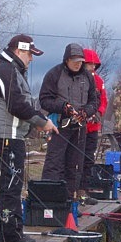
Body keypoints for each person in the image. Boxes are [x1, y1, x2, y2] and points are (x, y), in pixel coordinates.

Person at [0, 34, 58, 242]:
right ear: (19, 51)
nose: (32, 59)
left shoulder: (8, 70)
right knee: (11, 183)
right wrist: (42, 122)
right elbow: (17, 105)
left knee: (5, 182)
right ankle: (10, 234)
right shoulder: (6, 71)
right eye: (30, 54)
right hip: (6, 135)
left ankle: (2, 230)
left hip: (5, 134)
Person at [39, 43, 98, 198]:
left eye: (80, 61)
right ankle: (48, 199)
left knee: (75, 165)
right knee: (54, 163)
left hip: (79, 128)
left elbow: (94, 101)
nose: (78, 64)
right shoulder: (54, 74)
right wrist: (64, 107)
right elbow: (44, 100)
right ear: (66, 60)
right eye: (75, 60)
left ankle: (68, 200)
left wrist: (86, 111)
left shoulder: (88, 77)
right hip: (59, 125)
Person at [80, 49, 108, 194]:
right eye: (90, 65)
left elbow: (103, 100)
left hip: (93, 126)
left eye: (94, 65)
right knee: (76, 159)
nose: (92, 68)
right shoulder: (77, 80)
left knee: (89, 158)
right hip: (79, 127)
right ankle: (74, 190)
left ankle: (84, 189)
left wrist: (99, 113)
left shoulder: (99, 81)